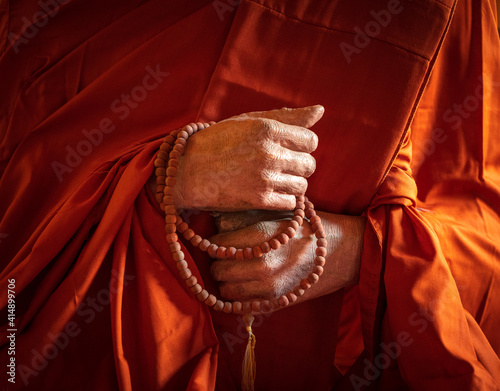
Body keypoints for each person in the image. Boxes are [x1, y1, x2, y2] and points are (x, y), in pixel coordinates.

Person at [0, 0, 499, 390]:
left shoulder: (466, 16)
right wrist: (171, 174)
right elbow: (21, 152)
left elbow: (482, 214)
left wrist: (355, 251)